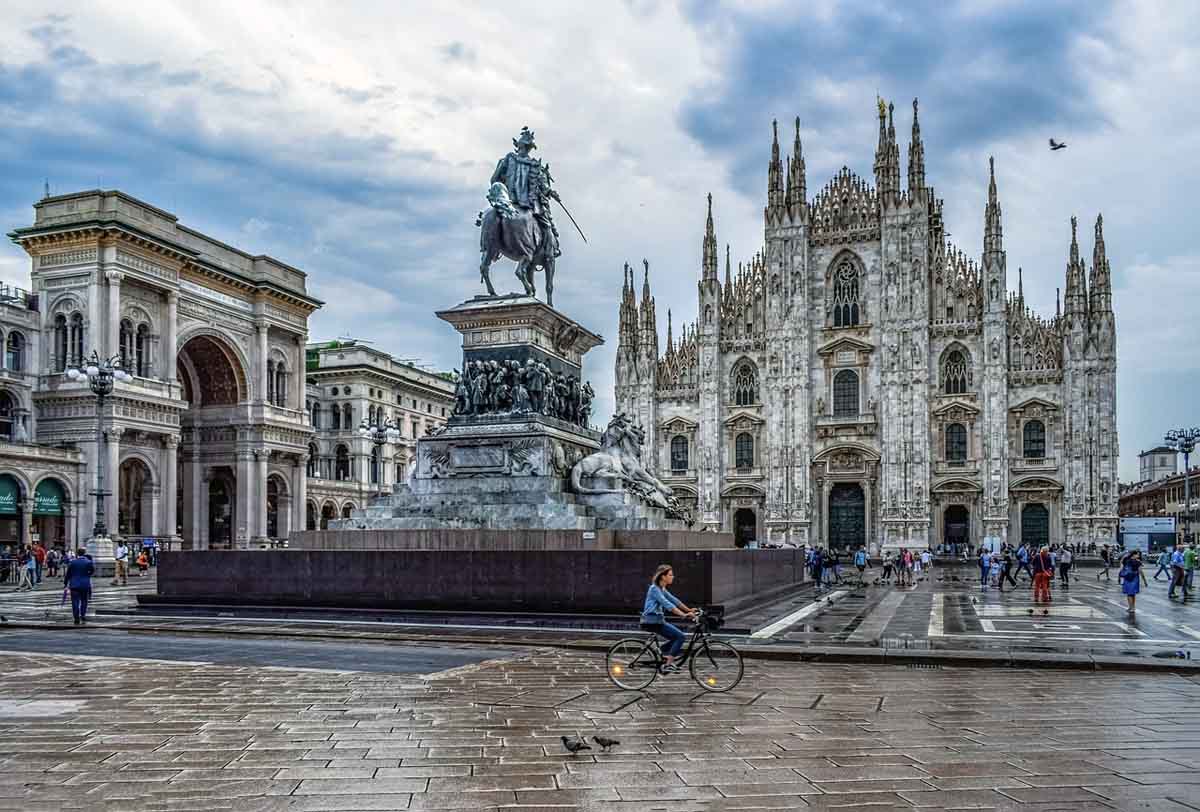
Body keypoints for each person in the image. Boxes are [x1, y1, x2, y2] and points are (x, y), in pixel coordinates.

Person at [640, 564, 697, 673]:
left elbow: (675, 600)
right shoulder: (654, 589)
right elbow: (667, 604)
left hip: (657, 621)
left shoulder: (662, 589)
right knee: (680, 637)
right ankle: (668, 665)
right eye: (670, 575)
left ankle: (659, 653)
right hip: (651, 621)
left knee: (676, 637)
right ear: (663, 576)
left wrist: (689, 610)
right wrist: (683, 615)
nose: (673, 577)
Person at [63, 548, 94, 625]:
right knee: (84, 601)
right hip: (85, 584)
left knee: (75, 601)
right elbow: (92, 571)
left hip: (74, 584)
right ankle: (82, 615)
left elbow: (68, 574)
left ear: (77, 553)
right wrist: (87, 576)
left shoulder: (73, 562)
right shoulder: (88, 562)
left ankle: (76, 617)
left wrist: (65, 583)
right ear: (84, 553)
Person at [1119, 549, 1143, 614]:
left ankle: (1131, 607)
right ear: (1134, 555)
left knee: (1129, 594)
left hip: (1127, 578)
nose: (1138, 555)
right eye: (1137, 554)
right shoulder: (1138, 562)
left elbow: (1121, 563)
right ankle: (1132, 607)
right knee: (1132, 593)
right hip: (1135, 578)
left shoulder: (1126, 560)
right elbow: (1140, 571)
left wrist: (1125, 556)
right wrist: (1144, 580)